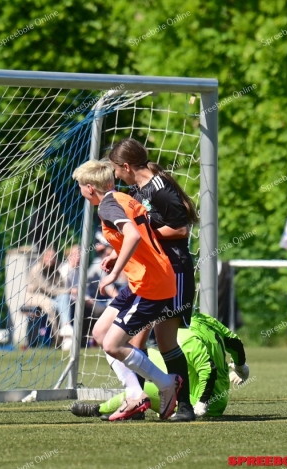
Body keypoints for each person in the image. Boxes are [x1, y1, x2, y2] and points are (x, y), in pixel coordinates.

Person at [88, 137, 198, 421]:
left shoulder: (158, 188)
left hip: (174, 269)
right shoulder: (137, 192)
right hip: (150, 274)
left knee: (166, 342)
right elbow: (136, 233)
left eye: (115, 168)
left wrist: (144, 239)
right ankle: (138, 398)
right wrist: (120, 252)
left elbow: (181, 230)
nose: (113, 175)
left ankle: (183, 405)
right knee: (129, 342)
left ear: (125, 166)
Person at [69, 159, 183, 422]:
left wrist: (115, 273)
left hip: (149, 284)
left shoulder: (108, 206)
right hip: (143, 280)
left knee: (112, 344)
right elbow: (139, 237)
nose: (81, 192)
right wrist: (116, 254)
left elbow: (132, 235)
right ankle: (135, 393)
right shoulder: (122, 197)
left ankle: (166, 383)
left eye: (80, 187)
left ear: (89, 188)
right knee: (99, 332)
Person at [73, 312, 250, 419]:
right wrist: (241, 368)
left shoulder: (185, 338)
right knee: (137, 354)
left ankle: (99, 409)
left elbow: (208, 370)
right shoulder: (204, 319)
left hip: (205, 402)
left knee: (146, 382)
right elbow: (235, 342)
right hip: (219, 397)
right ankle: (136, 404)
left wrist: (201, 404)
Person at [24, 246, 69, 341]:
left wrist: (67, 292)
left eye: (53, 256)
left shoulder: (55, 269)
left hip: (51, 296)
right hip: (35, 295)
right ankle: (57, 339)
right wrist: (69, 290)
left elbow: (61, 285)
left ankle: (66, 328)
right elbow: (48, 288)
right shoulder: (37, 269)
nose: (51, 258)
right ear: (43, 257)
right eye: (48, 256)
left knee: (65, 298)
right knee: (51, 305)